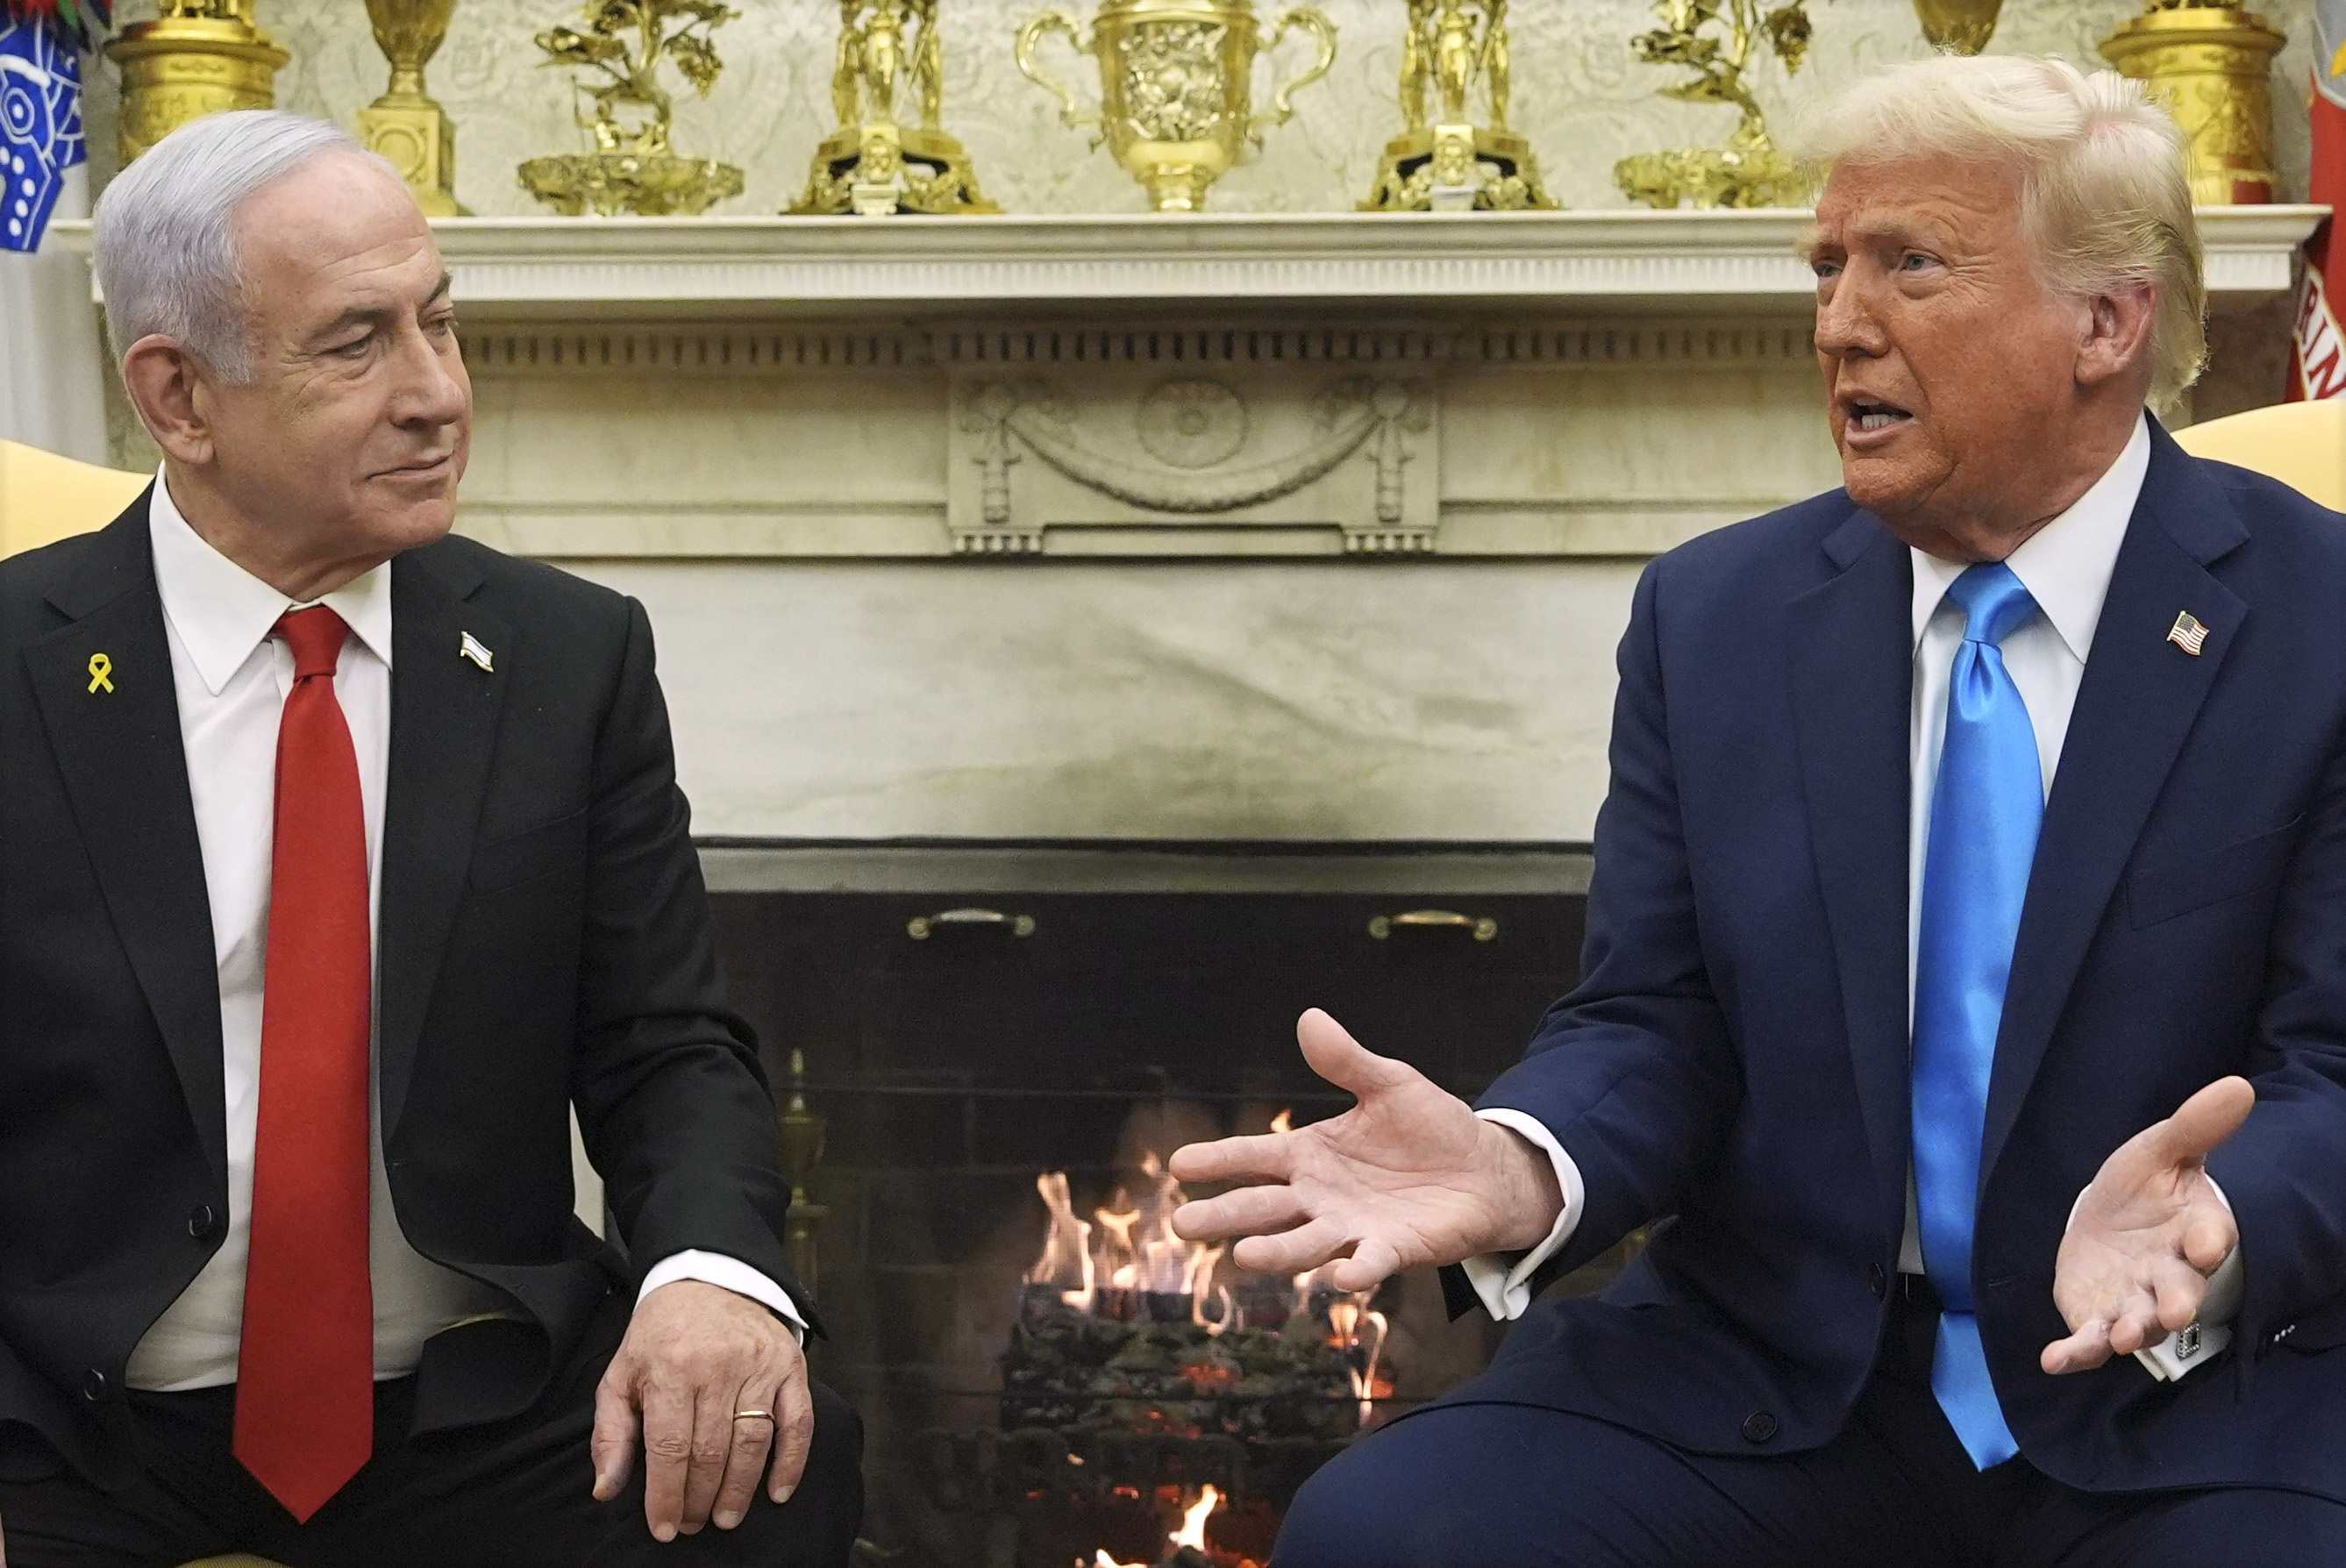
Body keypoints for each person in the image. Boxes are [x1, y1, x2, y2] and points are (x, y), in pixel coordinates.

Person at [1173, 54, 2346, 1567]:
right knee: (1393, 1532)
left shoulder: (2318, 619)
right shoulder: (1716, 616)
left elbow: (2337, 1066)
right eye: (1826, 267)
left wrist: (2225, 1221)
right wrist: (1527, 1162)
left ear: (2106, 323)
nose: (1840, 323)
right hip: (1780, 1372)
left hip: (2191, 1395)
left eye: (1910, 265)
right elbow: (1656, 1021)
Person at [0, 110, 861, 1565]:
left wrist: (710, 1277)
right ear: (179, 397)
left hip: (477, 1401)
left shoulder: (565, 655)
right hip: (71, 1423)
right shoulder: (19, 665)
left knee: (781, 1464)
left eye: (441, 324)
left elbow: (665, 1043)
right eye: (357, 344)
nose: (437, 393)